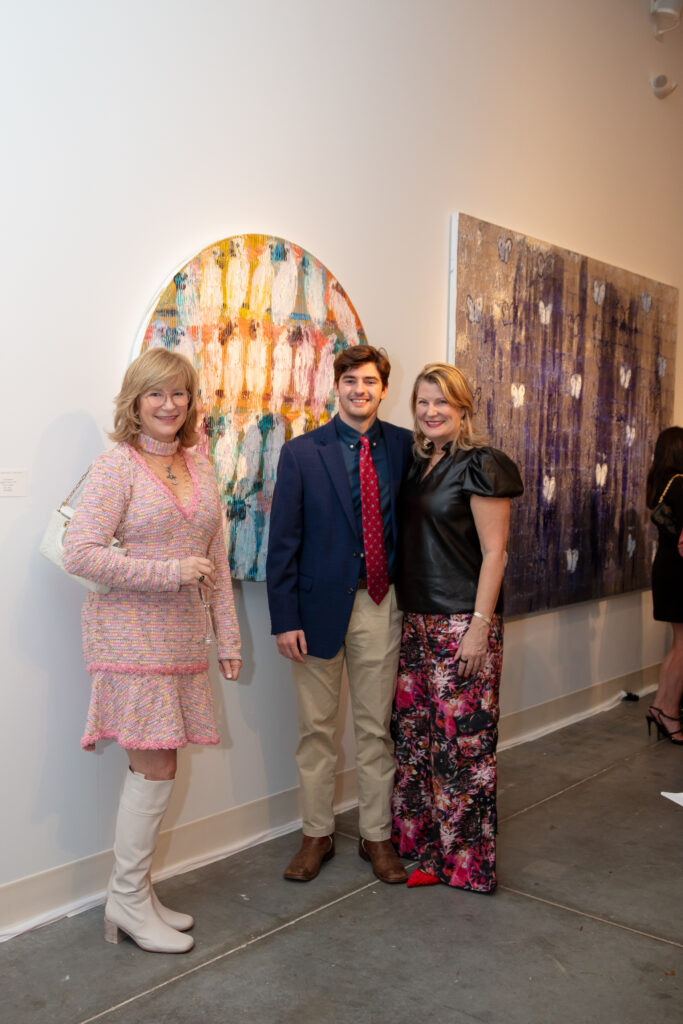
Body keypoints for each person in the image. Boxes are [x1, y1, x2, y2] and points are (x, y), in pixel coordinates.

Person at [62, 347, 241, 953]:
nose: (169, 405)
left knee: (160, 764)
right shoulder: (117, 465)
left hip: (181, 639)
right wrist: (167, 571)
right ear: (135, 402)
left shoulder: (200, 463)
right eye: (155, 394)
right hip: (129, 638)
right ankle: (129, 898)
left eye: (179, 393)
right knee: (156, 764)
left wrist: (229, 640)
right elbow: (80, 552)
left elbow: (214, 559)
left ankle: (132, 892)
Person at [266, 345, 413, 884]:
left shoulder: (403, 446)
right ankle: (316, 834)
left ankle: (377, 837)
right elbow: (281, 542)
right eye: (350, 380)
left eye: (370, 381)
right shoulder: (303, 452)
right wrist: (284, 619)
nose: (360, 390)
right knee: (317, 732)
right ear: (337, 386)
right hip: (313, 610)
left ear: (382, 388)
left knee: (377, 731)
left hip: (382, 603)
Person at [391, 362, 523, 892]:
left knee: (462, 750)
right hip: (417, 620)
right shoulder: (421, 465)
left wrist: (479, 628)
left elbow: (495, 554)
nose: (431, 412)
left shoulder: (482, 464)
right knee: (420, 745)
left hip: (461, 626)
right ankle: (427, 853)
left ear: (463, 407)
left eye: (442, 402)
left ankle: (466, 867)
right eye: (423, 402)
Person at [645, 426, 683, 745]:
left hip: (668, 568)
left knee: (680, 643)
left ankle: (662, 707)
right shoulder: (681, 484)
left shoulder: (663, 483)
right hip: (679, 570)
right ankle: (667, 710)